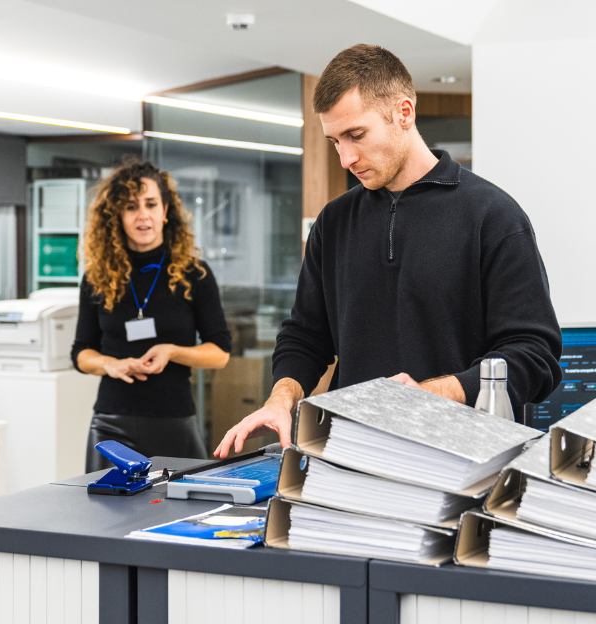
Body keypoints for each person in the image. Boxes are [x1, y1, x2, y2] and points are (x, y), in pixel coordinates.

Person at [216, 43, 561, 458]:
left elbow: (534, 357)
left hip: (464, 463)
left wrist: (430, 394)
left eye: (356, 135)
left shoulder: (494, 216)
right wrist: (281, 398)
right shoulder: (334, 221)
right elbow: (306, 337)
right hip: (352, 459)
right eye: (334, 141)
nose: (346, 158)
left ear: (404, 113)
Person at [72, 160, 231, 472]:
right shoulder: (97, 277)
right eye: (131, 206)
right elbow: (81, 353)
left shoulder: (193, 274)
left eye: (150, 204)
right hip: (111, 426)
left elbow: (219, 354)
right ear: (117, 215)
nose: (142, 214)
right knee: (106, 517)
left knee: (186, 514)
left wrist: (172, 352)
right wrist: (110, 364)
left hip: (174, 420)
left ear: (165, 210)